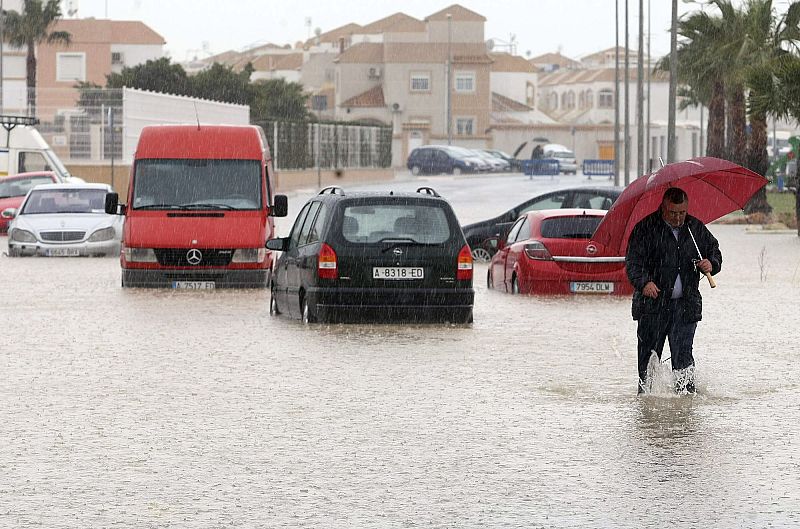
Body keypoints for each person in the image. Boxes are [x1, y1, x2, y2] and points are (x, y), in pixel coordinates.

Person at [625, 187, 722, 395]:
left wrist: (711, 264)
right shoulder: (645, 229)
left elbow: (714, 250)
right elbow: (633, 263)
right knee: (648, 361)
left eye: (682, 213)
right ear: (663, 208)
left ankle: (685, 406)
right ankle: (647, 406)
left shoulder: (695, 228)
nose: (678, 218)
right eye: (673, 213)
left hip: (685, 307)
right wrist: (644, 283)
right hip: (652, 308)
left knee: (684, 360)